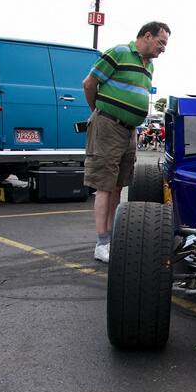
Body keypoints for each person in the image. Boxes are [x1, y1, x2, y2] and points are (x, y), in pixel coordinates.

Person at [83, 21, 171, 262]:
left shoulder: (149, 66)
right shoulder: (119, 53)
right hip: (108, 125)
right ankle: (102, 243)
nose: (163, 49)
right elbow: (89, 83)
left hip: (129, 130)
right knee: (104, 184)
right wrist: (98, 112)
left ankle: (111, 239)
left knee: (118, 185)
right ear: (147, 35)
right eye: (161, 42)